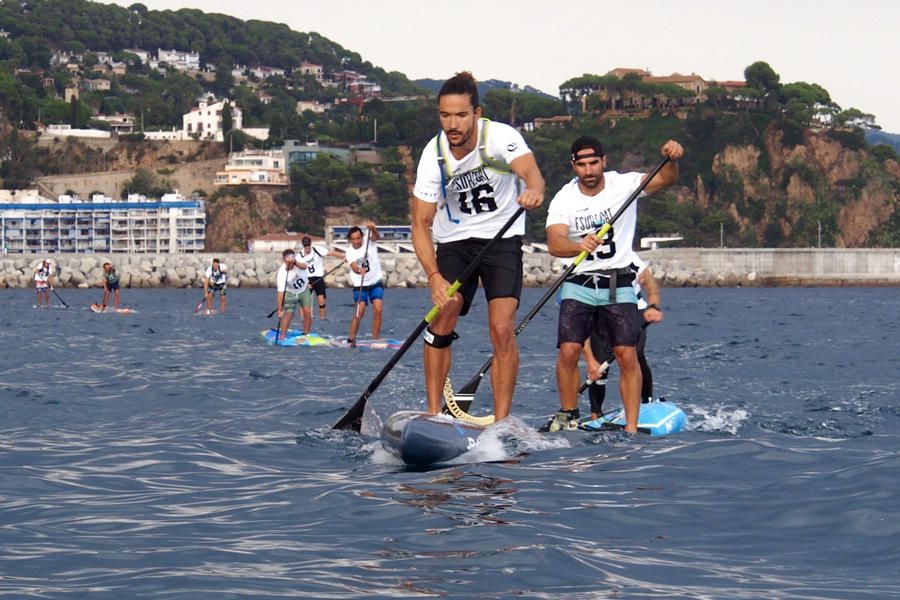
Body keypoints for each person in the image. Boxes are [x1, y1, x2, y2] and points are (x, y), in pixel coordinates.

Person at [411, 71, 545, 421]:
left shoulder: (501, 137)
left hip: (501, 240)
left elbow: (531, 173)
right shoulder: (433, 155)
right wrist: (434, 277)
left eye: (460, 115)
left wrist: (533, 189)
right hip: (455, 242)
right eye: (444, 115)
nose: (452, 123)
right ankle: (433, 414)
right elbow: (420, 224)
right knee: (444, 311)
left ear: (477, 113)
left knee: (501, 327)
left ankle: (501, 423)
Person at [544, 135, 682, 433]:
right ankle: (568, 414)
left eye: (594, 163)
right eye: (582, 165)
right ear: (573, 166)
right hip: (579, 281)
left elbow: (666, 181)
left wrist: (671, 160)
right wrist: (578, 245)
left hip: (618, 281)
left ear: (604, 162)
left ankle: (631, 428)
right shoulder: (564, 198)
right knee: (568, 350)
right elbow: (555, 243)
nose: (589, 170)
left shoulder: (624, 184)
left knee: (626, 354)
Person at [583, 254, 664, 420]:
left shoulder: (627, 255)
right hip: (599, 311)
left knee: (636, 356)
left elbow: (649, 281)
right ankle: (595, 413)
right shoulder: (586, 260)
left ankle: (646, 404)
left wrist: (654, 304)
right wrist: (589, 358)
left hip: (633, 310)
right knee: (599, 365)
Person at [345, 222, 383, 347]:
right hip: (360, 284)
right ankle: (351, 338)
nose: (356, 241)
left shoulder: (369, 242)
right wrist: (358, 270)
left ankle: (375, 338)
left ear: (361, 237)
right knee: (359, 311)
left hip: (375, 281)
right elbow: (354, 266)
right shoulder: (349, 252)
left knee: (378, 308)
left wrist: (373, 228)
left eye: (358, 238)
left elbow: (376, 237)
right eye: (353, 239)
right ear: (350, 239)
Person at [300, 235, 344, 320]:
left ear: (310, 244)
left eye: (308, 245)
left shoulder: (317, 250)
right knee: (304, 301)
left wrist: (342, 256)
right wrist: (305, 283)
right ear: (303, 246)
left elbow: (331, 253)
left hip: (318, 278)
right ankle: (302, 319)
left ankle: (322, 318)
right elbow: (299, 269)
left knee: (321, 299)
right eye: (305, 246)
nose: (307, 248)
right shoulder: (300, 255)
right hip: (307, 279)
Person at [275, 249, 311, 339]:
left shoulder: (299, 261)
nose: (291, 265)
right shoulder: (282, 273)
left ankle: (306, 334)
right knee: (289, 314)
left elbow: (304, 266)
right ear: (284, 261)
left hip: (303, 290)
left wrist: (295, 262)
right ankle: (282, 335)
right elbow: (280, 294)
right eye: (288, 262)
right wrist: (280, 310)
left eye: (292, 261)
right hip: (290, 293)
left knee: (307, 312)